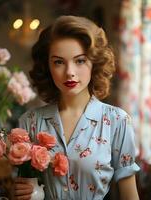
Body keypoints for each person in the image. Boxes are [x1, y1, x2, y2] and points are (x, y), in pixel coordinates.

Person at [14, 15, 140, 200]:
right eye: (58, 62)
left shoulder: (117, 121)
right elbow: (26, 190)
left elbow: (130, 196)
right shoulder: (30, 122)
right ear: (47, 66)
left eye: (80, 60)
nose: (70, 72)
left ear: (94, 63)